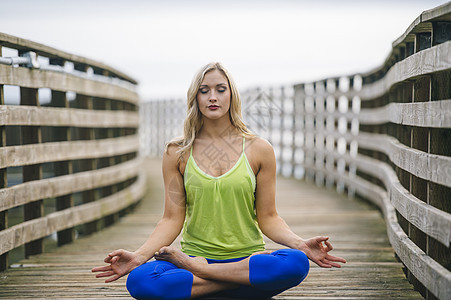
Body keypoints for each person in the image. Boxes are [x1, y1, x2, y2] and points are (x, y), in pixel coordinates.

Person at [92, 62, 346, 299]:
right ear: (196, 98)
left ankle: (204, 281)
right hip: (205, 259)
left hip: (241, 260)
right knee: (139, 280)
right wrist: (139, 256)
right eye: (204, 91)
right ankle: (239, 284)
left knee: (296, 262)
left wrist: (300, 243)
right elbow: (171, 218)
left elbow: (268, 217)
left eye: (220, 89)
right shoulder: (177, 153)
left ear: (231, 96)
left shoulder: (259, 149)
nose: (212, 96)